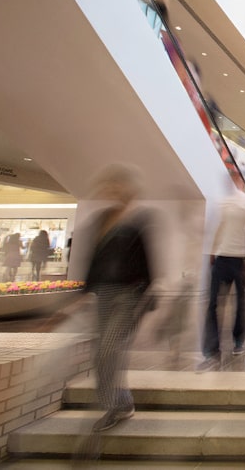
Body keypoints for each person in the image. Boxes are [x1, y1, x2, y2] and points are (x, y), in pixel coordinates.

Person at [78, 163, 157, 432]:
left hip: (129, 295)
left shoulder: (139, 219)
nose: (114, 190)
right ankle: (120, 402)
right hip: (104, 294)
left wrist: (145, 295)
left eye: (119, 185)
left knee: (109, 349)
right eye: (110, 185)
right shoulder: (101, 219)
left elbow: (148, 264)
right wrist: (82, 293)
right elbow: (93, 260)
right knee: (100, 353)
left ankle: (114, 405)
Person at [198, 176, 245, 371]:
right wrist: (213, 250)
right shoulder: (223, 202)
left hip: (239, 258)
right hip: (222, 258)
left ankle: (238, 341)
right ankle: (212, 348)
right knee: (214, 303)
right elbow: (219, 227)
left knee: (241, 303)